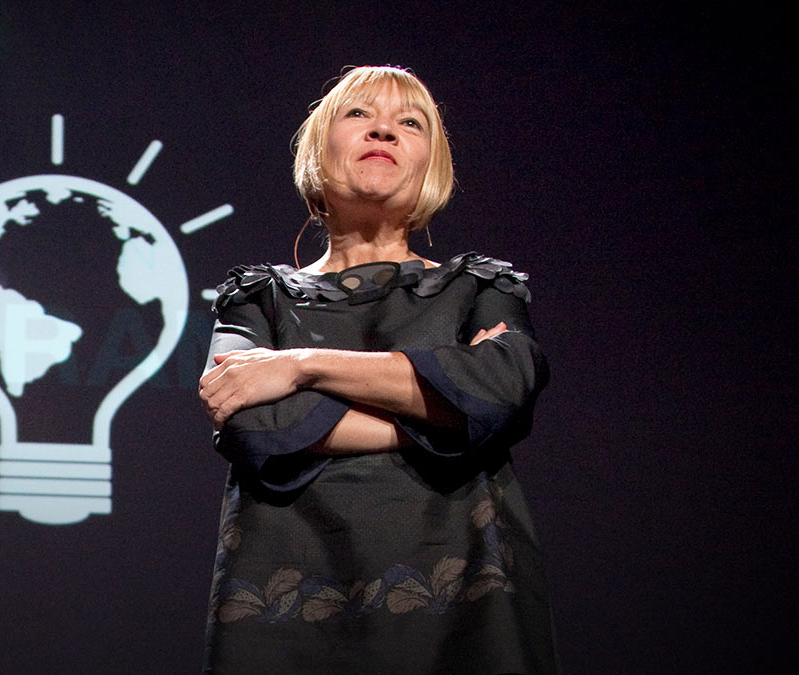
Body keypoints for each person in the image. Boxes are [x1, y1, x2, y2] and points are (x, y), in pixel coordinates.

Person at [197, 66, 560, 674]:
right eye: (359, 115)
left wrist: (302, 364)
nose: (384, 131)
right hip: (289, 600)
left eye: (409, 122)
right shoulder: (255, 298)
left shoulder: (481, 288)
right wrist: (448, 417)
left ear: (431, 164)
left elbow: (502, 390)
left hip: (462, 601)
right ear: (319, 147)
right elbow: (253, 424)